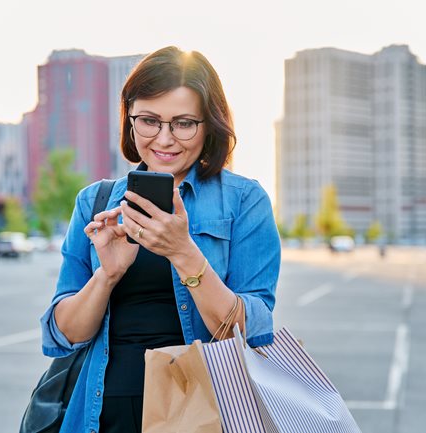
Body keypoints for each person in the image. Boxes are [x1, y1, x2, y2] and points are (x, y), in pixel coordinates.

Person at [40, 46, 281, 433]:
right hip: (101, 414)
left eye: (184, 123)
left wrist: (183, 252)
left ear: (209, 124)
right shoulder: (95, 201)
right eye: (150, 121)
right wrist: (108, 275)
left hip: (204, 411)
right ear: (130, 120)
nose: (165, 139)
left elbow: (250, 332)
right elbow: (63, 335)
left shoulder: (243, 200)